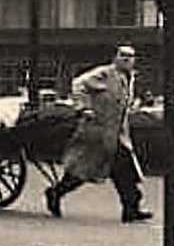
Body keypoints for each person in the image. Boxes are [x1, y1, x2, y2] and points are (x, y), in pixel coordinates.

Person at [44, 45, 154, 223]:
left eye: (131, 56)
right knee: (83, 170)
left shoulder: (129, 77)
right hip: (96, 131)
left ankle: (131, 207)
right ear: (116, 57)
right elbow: (79, 84)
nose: (127, 59)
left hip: (116, 133)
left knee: (123, 170)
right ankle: (56, 192)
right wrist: (83, 107)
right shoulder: (104, 73)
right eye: (123, 55)